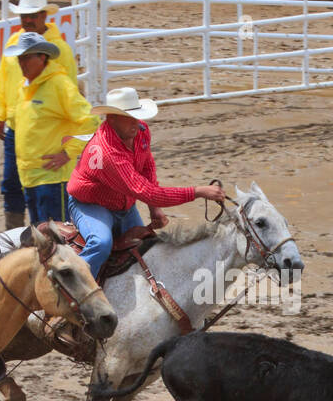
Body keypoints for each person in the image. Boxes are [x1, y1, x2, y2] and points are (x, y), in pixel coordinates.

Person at [65, 87, 226, 281]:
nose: (136, 122)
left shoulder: (140, 131)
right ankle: (73, 290)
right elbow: (145, 191)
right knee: (101, 243)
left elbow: (147, 166)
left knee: (147, 247)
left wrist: (154, 208)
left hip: (123, 204)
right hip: (89, 204)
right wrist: (198, 191)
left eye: (136, 115)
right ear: (111, 119)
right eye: (128, 117)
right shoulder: (107, 151)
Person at [0, 0, 78, 228]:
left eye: (32, 15)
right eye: (24, 16)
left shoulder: (61, 52)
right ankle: (18, 234)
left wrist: (67, 146)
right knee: (13, 184)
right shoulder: (15, 42)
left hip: (45, 131)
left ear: (43, 16)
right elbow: (3, 81)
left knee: (42, 189)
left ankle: (36, 235)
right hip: (17, 126)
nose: (27, 20)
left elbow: (69, 98)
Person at [7, 33, 98, 227]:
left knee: (58, 238)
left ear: (42, 58)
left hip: (53, 178)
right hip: (32, 177)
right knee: (44, 237)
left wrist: (68, 153)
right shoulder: (24, 87)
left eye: (26, 58)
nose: (22, 63)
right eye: (20, 58)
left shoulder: (60, 85)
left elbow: (91, 120)